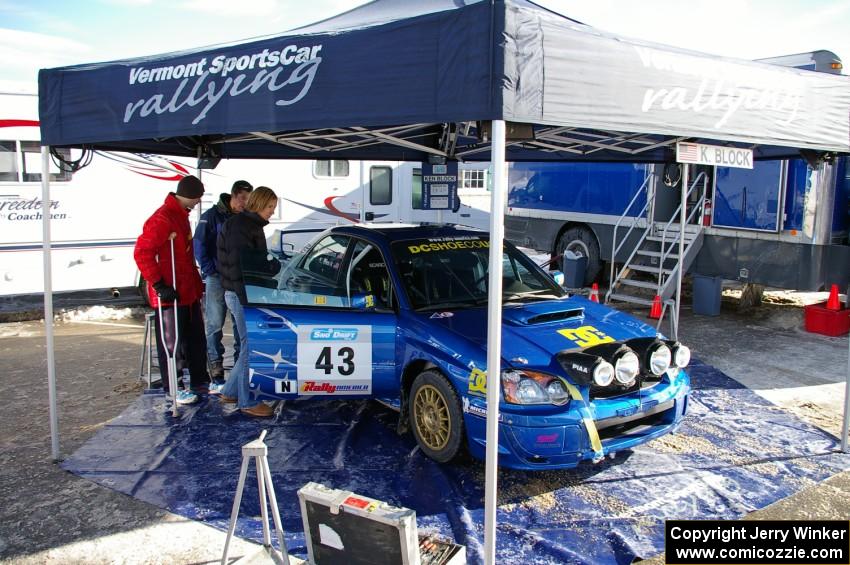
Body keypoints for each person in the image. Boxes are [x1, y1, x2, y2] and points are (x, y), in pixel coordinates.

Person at [134, 175, 210, 405]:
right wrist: (159, 284)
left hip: (187, 291)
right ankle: (174, 388)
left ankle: (200, 380)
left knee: (195, 338)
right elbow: (142, 253)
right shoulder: (162, 218)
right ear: (189, 195)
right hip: (171, 293)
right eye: (197, 198)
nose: (198, 203)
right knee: (172, 343)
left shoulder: (181, 215)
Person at [217, 186, 279, 417]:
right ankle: (247, 401)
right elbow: (239, 266)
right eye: (271, 207)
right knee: (250, 346)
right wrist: (270, 267)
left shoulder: (244, 224)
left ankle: (230, 391)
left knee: (246, 345)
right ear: (260, 204)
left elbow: (248, 263)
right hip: (241, 294)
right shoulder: (244, 227)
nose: (272, 212)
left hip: (239, 292)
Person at [194, 180, 253, 389]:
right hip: (217, 277)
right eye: (242, 199)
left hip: (238, 278)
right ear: (233, 195)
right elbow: (199, 244)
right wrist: (211, 270)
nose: (244, 204)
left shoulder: (245, 218)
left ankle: (239, 364)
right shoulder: (211, 216)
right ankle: (216, 365)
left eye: (248, 200)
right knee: (215, 321)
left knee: (240, 322)